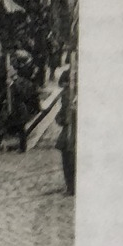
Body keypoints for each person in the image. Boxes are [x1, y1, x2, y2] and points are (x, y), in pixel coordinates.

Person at [56, 66, 76, 195]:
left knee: (68, 158)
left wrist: (60, 119)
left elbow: (63, 115)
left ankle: (70, 186)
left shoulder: (67, 94)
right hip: (71, 129)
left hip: (71, 131)